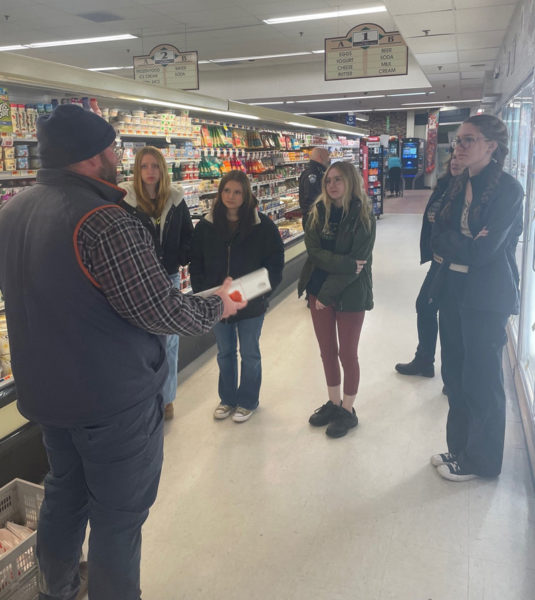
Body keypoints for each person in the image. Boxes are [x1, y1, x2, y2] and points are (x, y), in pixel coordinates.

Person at [0, 104, 245, 600]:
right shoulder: (102, 220)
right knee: (117, 518)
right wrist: (218, 306)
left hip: (48, 397)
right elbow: (160, 311)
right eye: (111, 148)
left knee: (63, 498)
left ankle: (59, 591)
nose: (119, 156)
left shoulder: (12, 211)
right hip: (111, 400)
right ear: (91, 156)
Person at [429, 114, 523, 481]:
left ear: (491, 146)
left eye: (468, 140)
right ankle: (459, 450)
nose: (459, 147)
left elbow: (484, 254)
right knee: (454, 374)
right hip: (452, 292)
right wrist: (466, 243)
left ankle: (481, 461)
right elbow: (436, 233)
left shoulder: (509, 191)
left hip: (486, 300)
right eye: (458, 140)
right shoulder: (457, 184)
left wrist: (458, 246)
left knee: (481, 379)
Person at [189, 170, 284, 423]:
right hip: (217, 303)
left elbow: (275, 264)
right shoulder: (206, 227)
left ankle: (248, 400)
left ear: (246, 195)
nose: (231, 196)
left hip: (250, 303)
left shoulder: (263, 226)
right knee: (225, 352)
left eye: (237, 192)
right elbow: (195, 262)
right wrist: (204, 294)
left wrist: (261, 293)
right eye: (227, 191)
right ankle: (228, 399)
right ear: (220, 193)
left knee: (250, 353)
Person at [298, 161, 376, 438]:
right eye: (328, 180)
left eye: (338, 180)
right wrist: (344, 263)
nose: (331, 185)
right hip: (318, 291)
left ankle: (348, 410)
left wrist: (329, 291)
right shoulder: (317, 213)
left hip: (351, 294)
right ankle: (333, 403)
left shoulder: (364, 217)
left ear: (351, 182)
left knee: (347, 354)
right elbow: (314, 252)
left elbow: (359, 265)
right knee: (327, 351)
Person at [118, 146, 193, 421]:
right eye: (144, 166)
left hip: (169, 278)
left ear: (163, 169)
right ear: (137, 170)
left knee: (170, 342)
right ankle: (143, 398)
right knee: (141, 342)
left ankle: (167, 399)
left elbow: (188, 234)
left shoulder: (175, 199)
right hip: (139, 281)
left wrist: (181, 257)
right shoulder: (125, 202)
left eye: (155, 166)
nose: (150, 172)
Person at [395, 153, 463, 381]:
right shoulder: (445, 186)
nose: (455, 161)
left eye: (461, 159)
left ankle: (453, 375)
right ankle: (425, 360)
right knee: (425, 305)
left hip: (457, 264)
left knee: (450, 317)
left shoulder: (469, 191)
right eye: (453, 157)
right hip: (439, 260)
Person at [299, 147, 330, 228]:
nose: (329, 159)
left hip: (316, 217)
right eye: (327, 156)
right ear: (320, 157)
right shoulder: (313, 174)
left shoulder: (318, 171)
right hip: (314, 218)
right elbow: (311, 198)